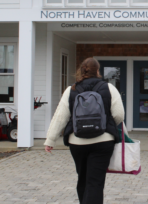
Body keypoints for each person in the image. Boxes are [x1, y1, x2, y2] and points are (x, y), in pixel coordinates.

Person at [44, 57, 124, 204]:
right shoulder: (109, 88)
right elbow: (119, 114)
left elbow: (60, 117)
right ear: (98, 71)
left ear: (81, 70)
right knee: (95, 182)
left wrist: (50, 140)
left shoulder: (71, 90)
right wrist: (106, 124)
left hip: (77, 142)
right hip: (103, 141)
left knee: (83, 179)